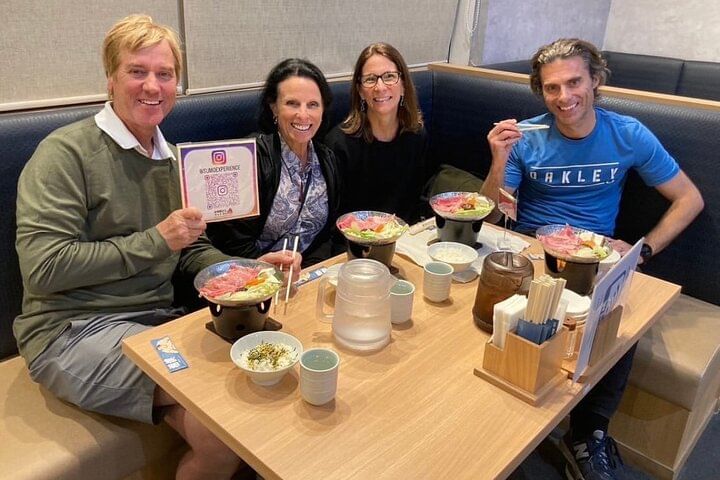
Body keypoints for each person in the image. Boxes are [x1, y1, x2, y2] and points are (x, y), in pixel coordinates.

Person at [13, 15, 299, 480]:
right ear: (110, 78)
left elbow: (191, 248)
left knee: (224, 435)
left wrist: (245, 270)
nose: (152, 86)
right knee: (225, 392)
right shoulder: (65, 154)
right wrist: (156, 240)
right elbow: (44, 268)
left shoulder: (170, 160)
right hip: (70, 331)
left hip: (154, 322)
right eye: (137, 71)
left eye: (164, 74)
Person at [481, 38, 703, 480]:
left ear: (595, 80)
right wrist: (499, 159)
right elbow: (491, 214)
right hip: (534, 250)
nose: (564, 97)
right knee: (504, 310)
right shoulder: (527, 137)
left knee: (617, 319)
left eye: (574, 82)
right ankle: (499, 426)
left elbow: (688, 199)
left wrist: (643, 250)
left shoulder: (628, 134)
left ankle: (587, 434)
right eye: (551, 88)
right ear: (541, 92)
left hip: (595, 256)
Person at [206, 58, 342, 267]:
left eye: (313, 105)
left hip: (306, 273)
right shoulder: (249, 158)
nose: (303, 114)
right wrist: (269, 270)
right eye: (292, 103)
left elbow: (326, 235)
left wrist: (309, 271)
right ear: (274, 108)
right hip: (253, 274)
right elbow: (230, 242)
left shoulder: (327, 159)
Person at [323, 42, 430, 224]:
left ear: (403, 84)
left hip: (406, 236)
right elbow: (333, 218)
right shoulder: (338, 145)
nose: (380, 87)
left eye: (389, 77)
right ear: (360, 91)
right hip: (354, 238)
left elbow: (416, 202)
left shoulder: (416, 136)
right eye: (370, 79)